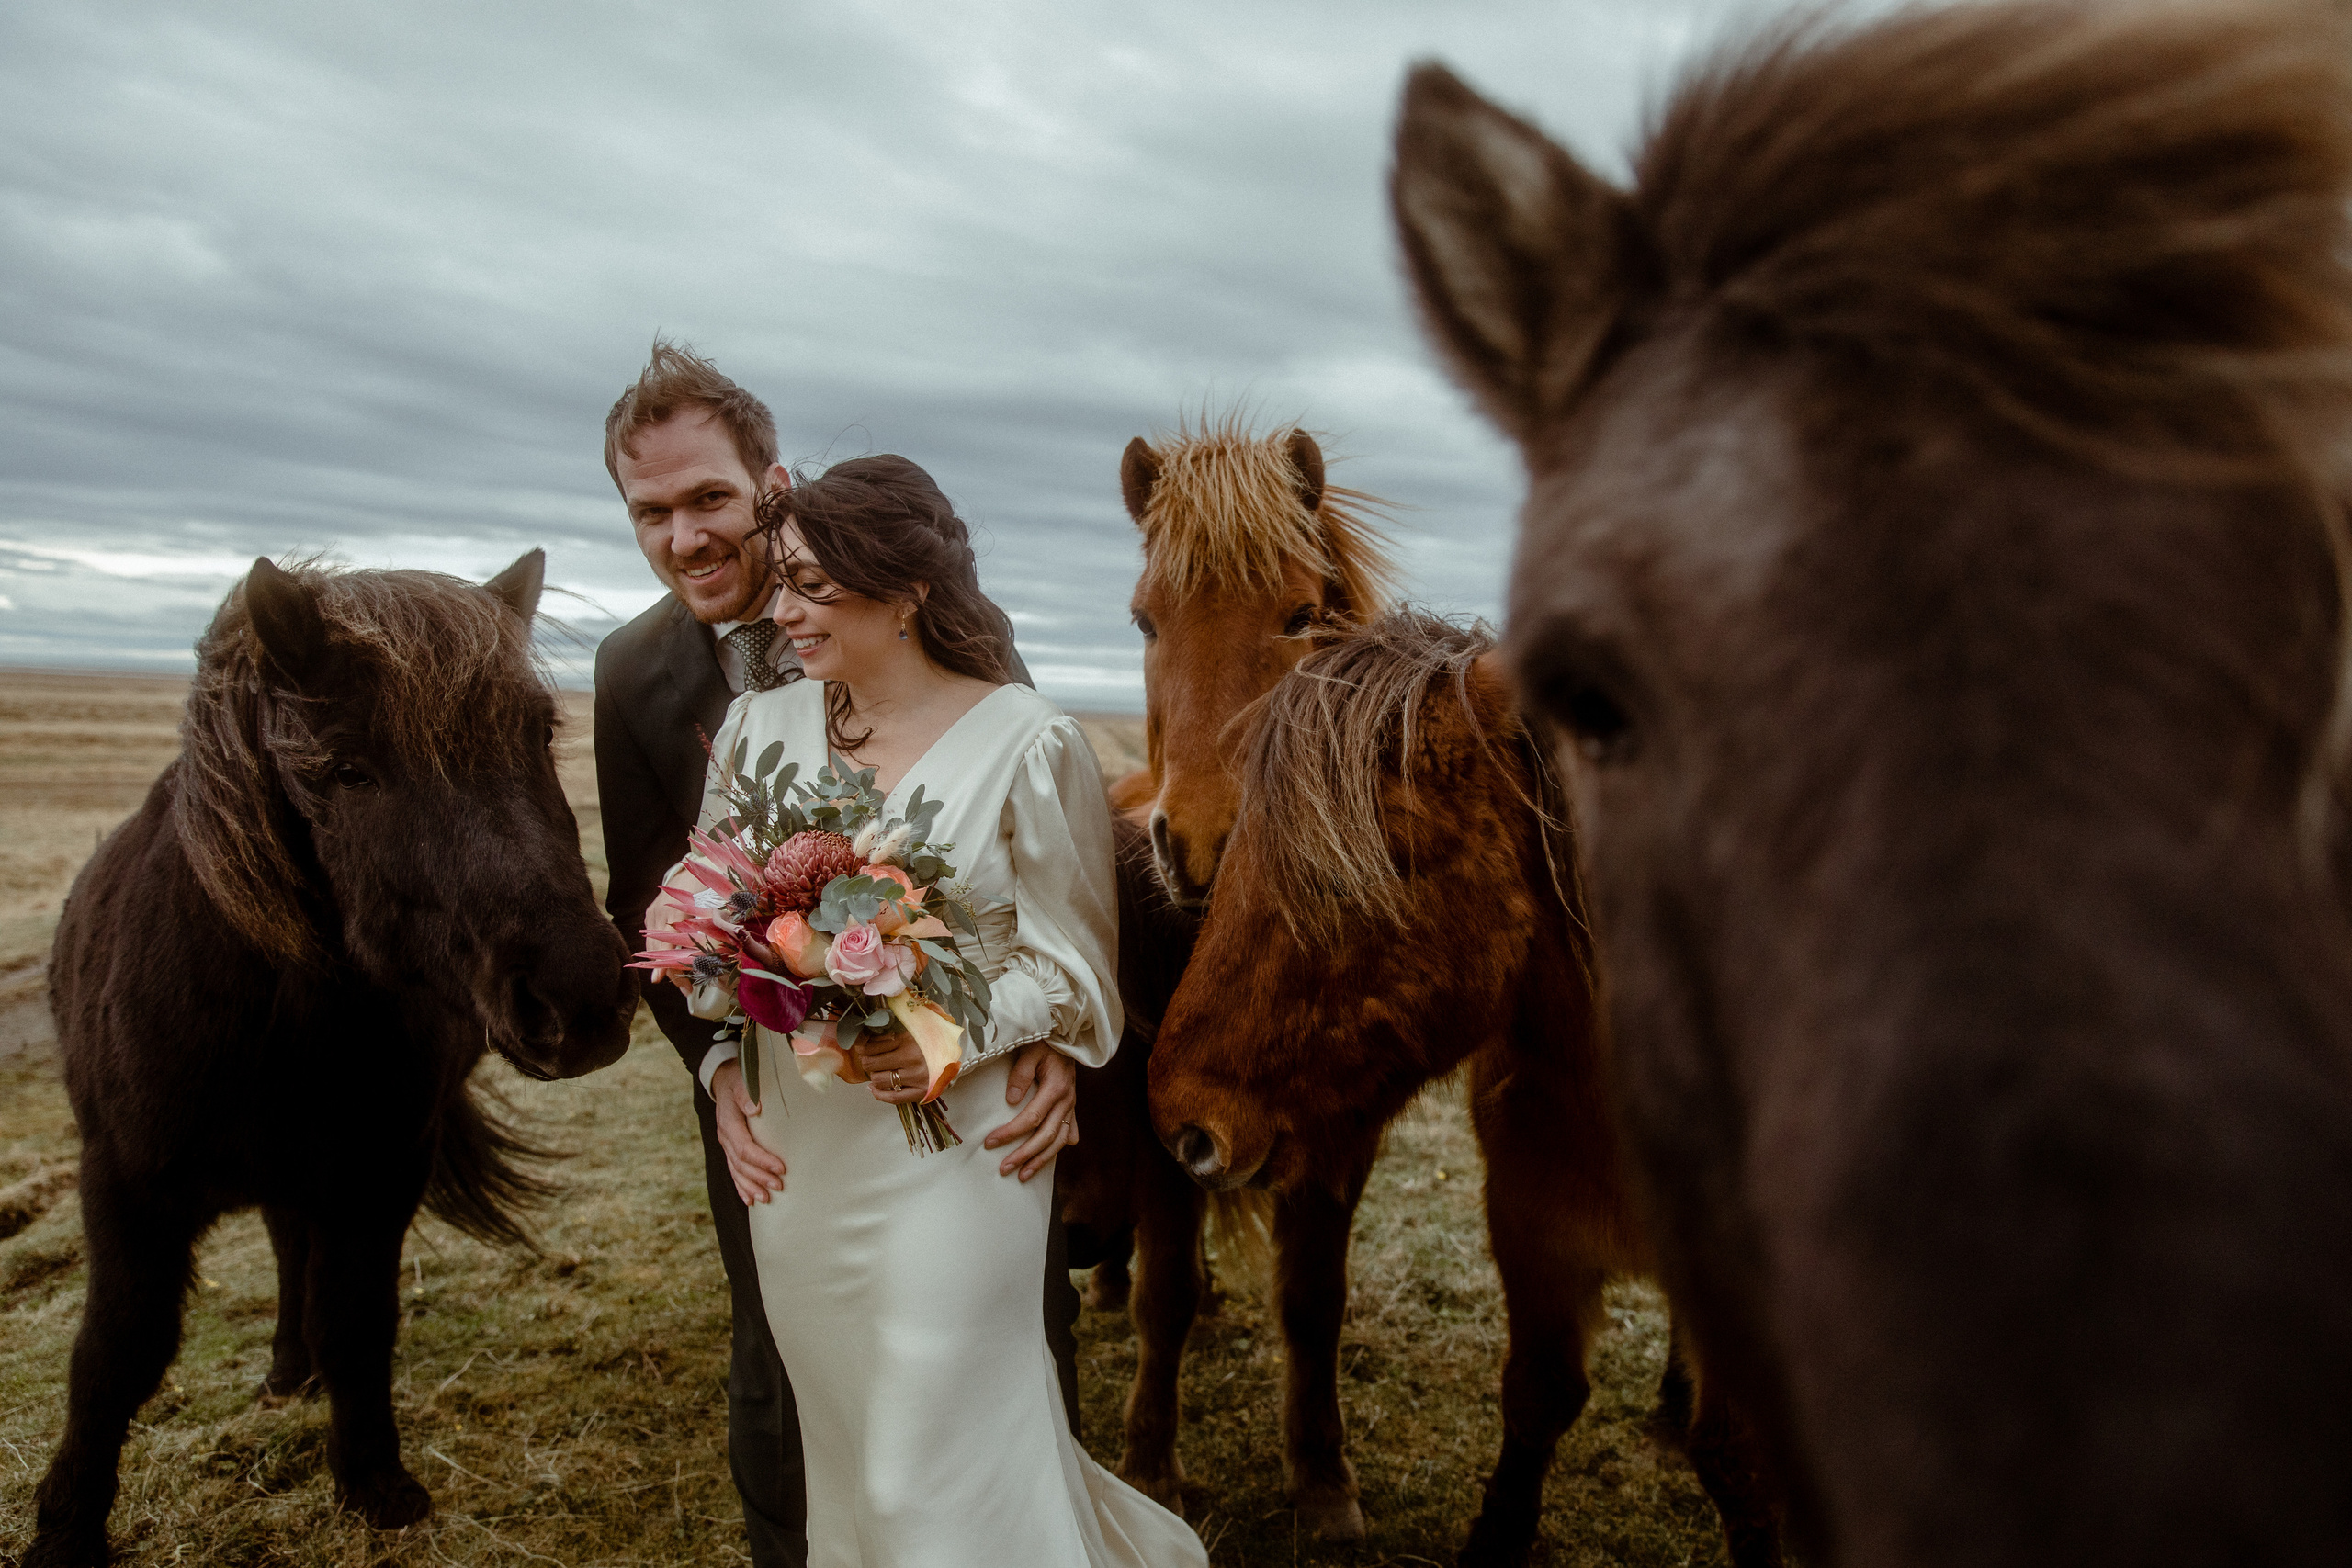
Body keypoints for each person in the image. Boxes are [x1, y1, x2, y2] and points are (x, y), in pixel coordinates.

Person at [591, 344, 1087, 1567]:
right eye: (650, 512)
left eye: (708, 499)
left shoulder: (960, 648)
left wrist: (1054, 1043)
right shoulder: (631, 673)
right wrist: (720, 1084)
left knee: (992, 1343)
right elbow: (662, 906)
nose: (683, 537)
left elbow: (1019, 859)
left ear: (770, 483)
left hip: (961, 1090)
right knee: (777, 1354)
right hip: (775, 1101)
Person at [683, 455, 1206, 1566]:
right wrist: (723, 1069)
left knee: (925, 1461)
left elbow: (1074, 973)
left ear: (904, 594)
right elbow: (703, 930)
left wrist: (942, 1019)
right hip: (797, 1163)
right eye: (783, 583)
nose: (781, 611)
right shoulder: (752, 731)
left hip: (960, 1154)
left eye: (813, 588)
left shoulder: (1030, 741)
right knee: (853, 1455)